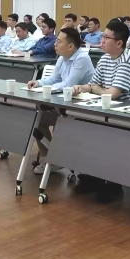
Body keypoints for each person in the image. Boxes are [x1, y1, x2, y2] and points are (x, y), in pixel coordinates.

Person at [71, 19, 130, 202]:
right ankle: (94, 176)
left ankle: (114, 183)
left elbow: (113, 94)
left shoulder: (128, 58)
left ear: (119, 43)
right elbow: (93, 85)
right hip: (112, 110)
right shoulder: (106, 58)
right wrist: (80, 88)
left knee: (107, 133)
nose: (102, 41)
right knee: (83, 125)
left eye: (106, 37)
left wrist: (96, 89)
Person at [28, 28, 95, 175]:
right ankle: (52, 159)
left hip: (81, 110)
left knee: (42, 117)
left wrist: (47, 88)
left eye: (59, 41)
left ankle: (57, 158)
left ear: (70, 46)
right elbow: (54, 79)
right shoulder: (62, 57)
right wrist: (38, 83)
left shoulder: (82, 58)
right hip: (64, 105)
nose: (55, 44)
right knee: (38, 118)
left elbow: (68, 85)